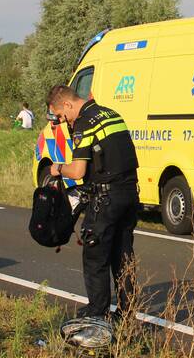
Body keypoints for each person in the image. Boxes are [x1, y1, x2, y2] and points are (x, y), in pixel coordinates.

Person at [46, 85, 139, 320]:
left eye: (60, 116)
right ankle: (127, 314)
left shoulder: (84, 122)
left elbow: (78, 171)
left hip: (106, 199)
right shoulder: (111, 114)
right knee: (123, 255)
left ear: (67, 104)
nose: (62, 121)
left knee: (95, 256)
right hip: (130, 195)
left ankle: (97, 315)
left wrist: (58, 168)